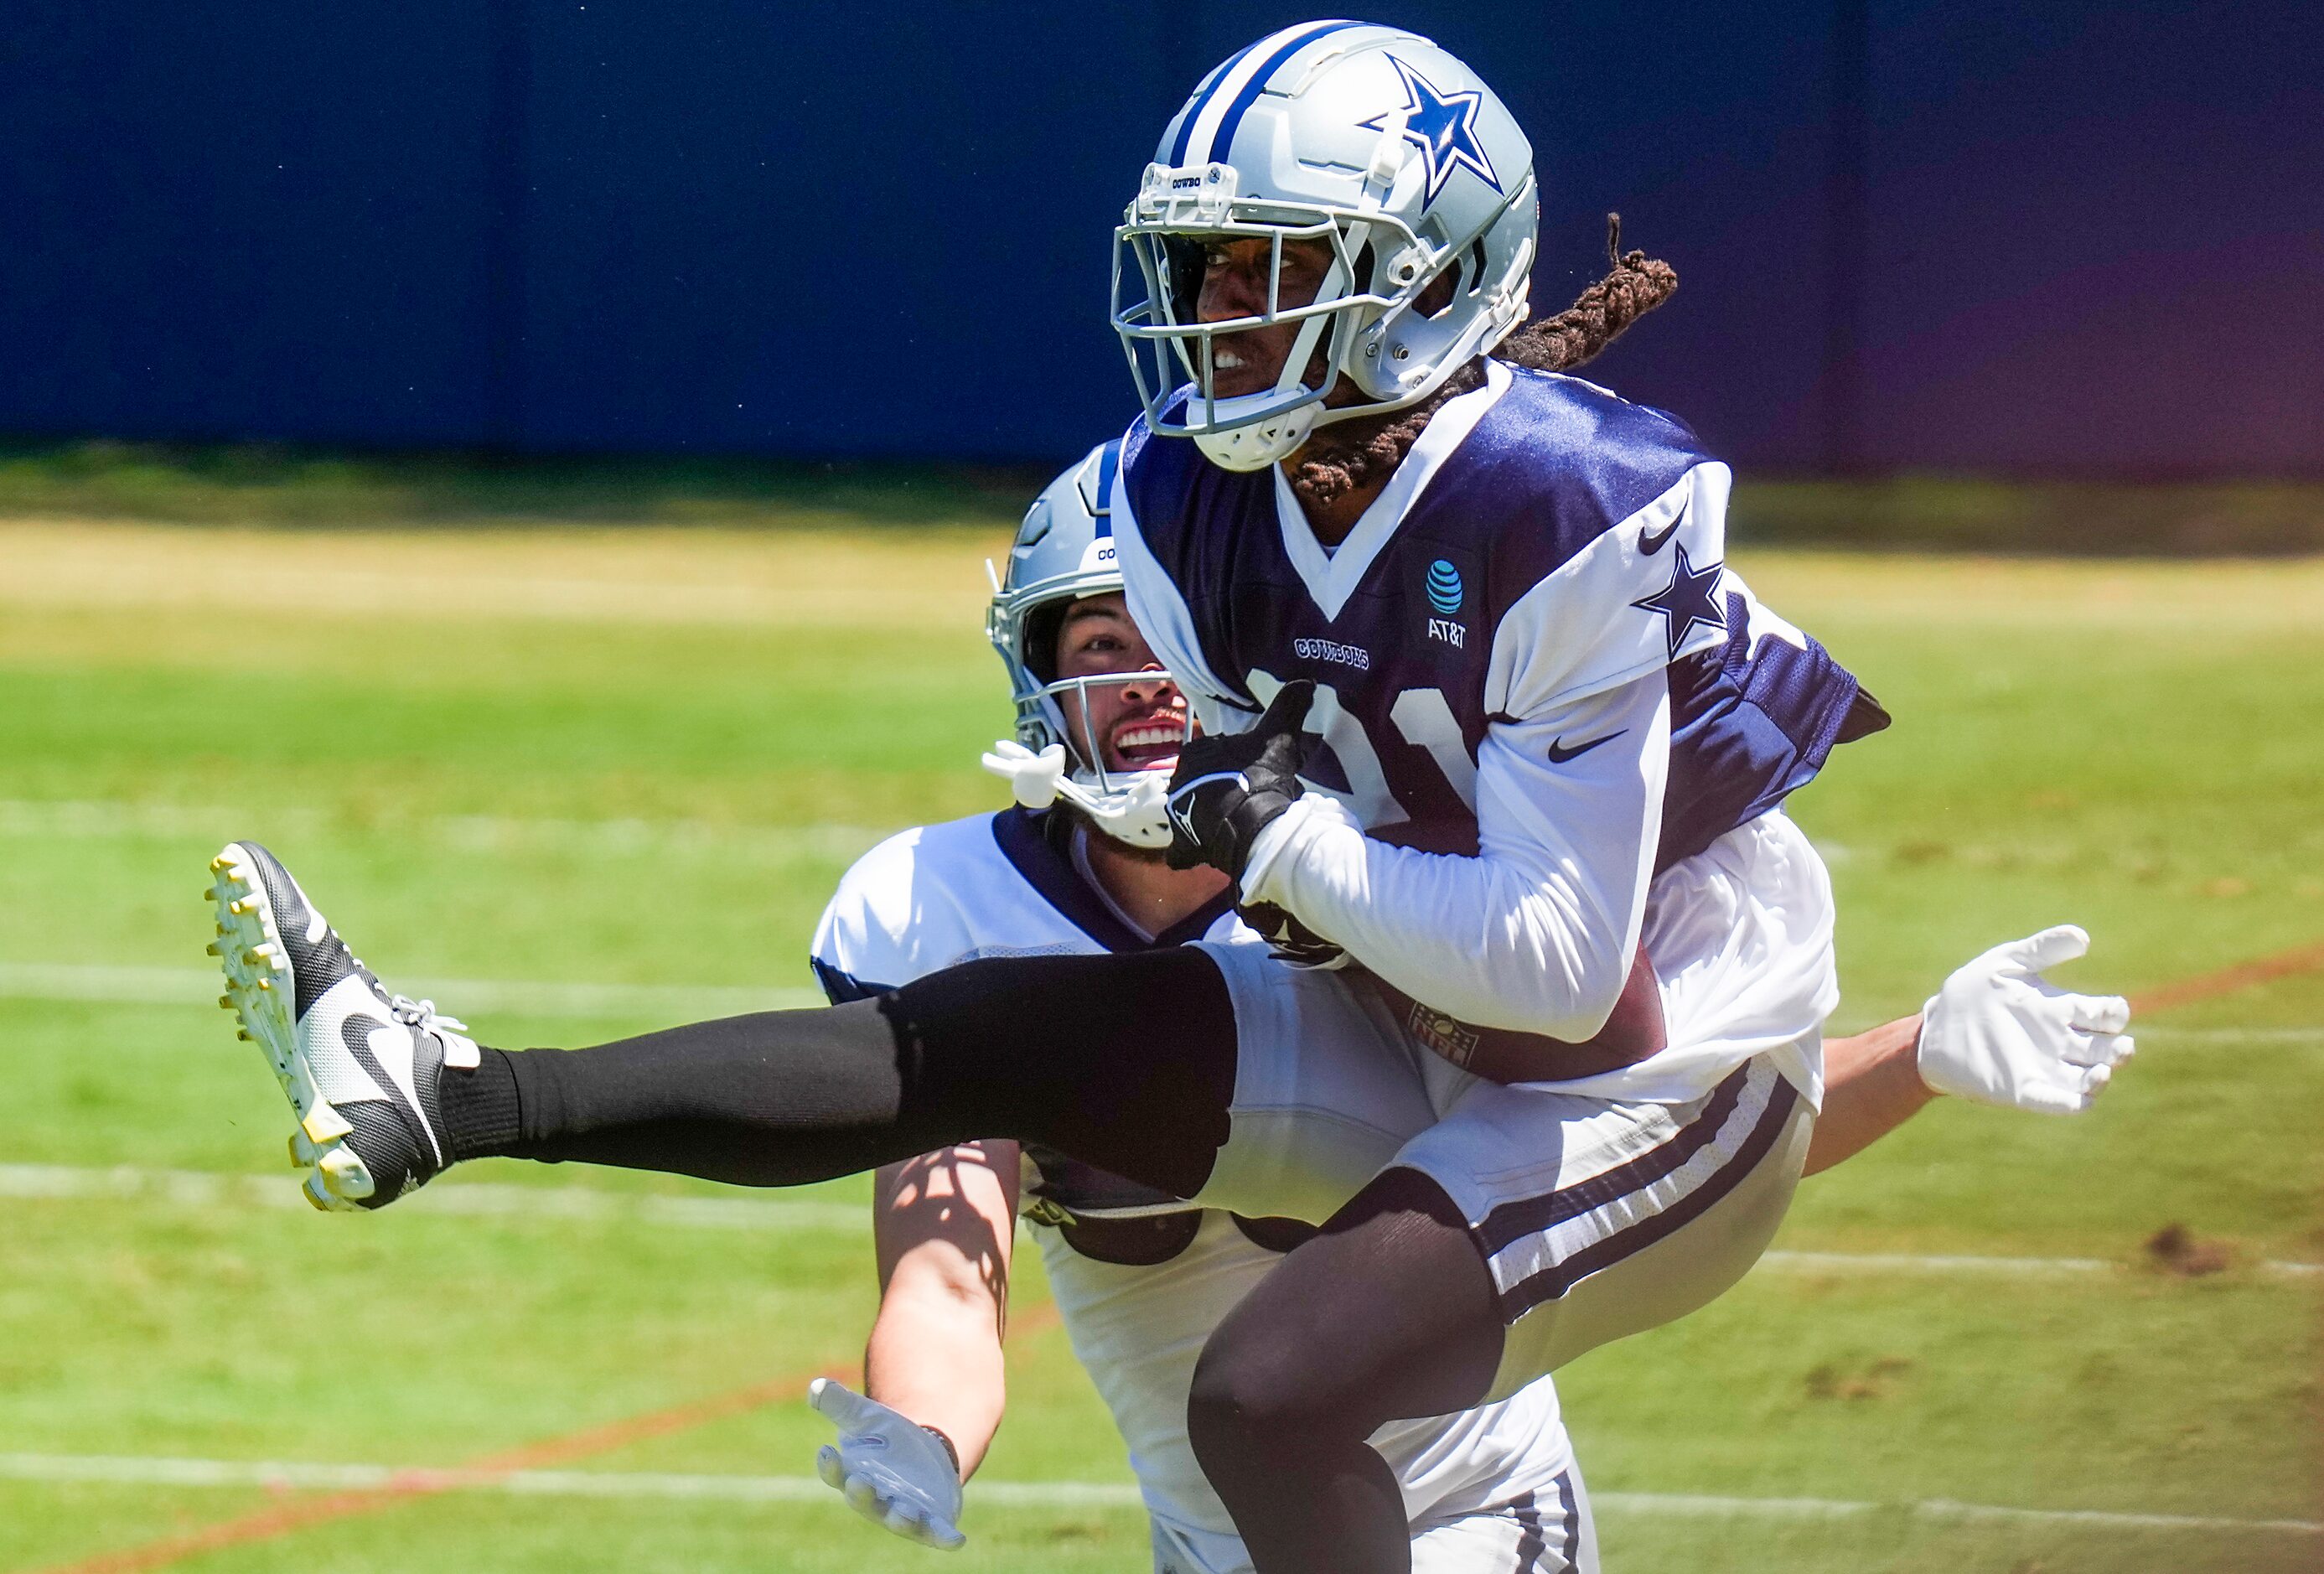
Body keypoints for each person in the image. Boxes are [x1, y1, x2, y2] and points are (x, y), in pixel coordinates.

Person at [202, 25, 2133, 1571]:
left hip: (1656, 1062)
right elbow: (952, 1178)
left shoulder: (1568, 505)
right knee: (996, 1035)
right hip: (1416, 1065)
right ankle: (447, 1092)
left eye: (1266, 270)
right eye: (1200, 270)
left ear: (1420, 277)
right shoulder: (1175, 507)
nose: (1212, 313)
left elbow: (1558, 977)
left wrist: (1262, 830)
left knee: (1266, 1392)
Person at [800, 448, 2132, 1569]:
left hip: (1470, 1523)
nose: (1145, 682)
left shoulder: (1397, 867)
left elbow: (1638, 1152)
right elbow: (942, 1267)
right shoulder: (948, 907)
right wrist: (925, 1424)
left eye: (1170, 641)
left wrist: (1920, 1055)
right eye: (1098, 640)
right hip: (1212, 1541)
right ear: (1033, 669)